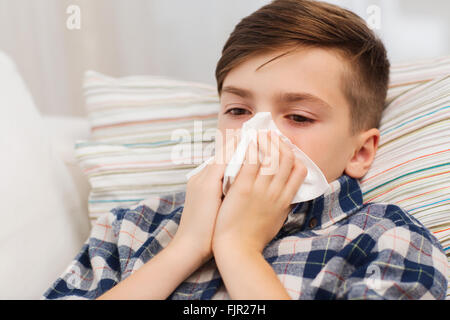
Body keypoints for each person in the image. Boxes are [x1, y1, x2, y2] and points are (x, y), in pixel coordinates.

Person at [43, 0, 447, 300]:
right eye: (239, 110)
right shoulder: (130, 228)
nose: (258, 135)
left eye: (300, 117)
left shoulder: (388, 239)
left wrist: (239, 249)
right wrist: (185, 249)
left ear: (360, 152)